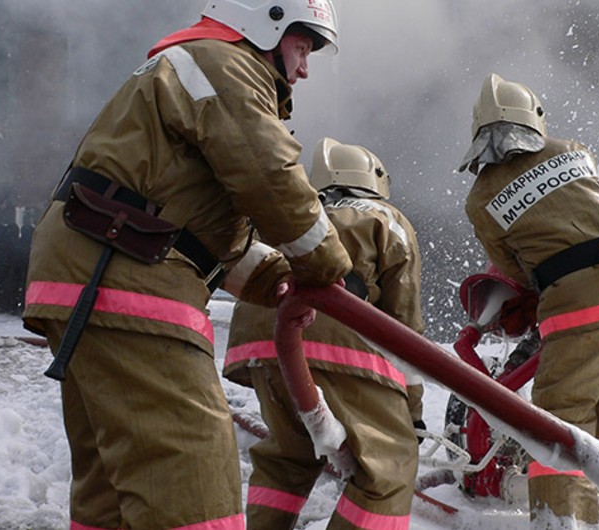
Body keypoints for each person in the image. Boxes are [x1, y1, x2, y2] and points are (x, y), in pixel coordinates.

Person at [21, 1, 352, 529]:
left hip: (96, 266)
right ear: (266, 21)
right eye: (303, 46)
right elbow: (268, 175)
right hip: (125, 273)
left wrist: (272, 277)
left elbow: (189, 224)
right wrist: (326, 264)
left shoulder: (186, 70)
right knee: (191, 476)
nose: (305, 67)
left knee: (111, 489)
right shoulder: (225, 63)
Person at [459, 73, 599, 530]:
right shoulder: (573, 151)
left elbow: (515, 269)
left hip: (582, 304)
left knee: (560, 426)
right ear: (533, 120)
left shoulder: (480, 198)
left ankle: (560, 523)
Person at [223, 137, 425, 530]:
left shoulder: (290, 214)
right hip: (330, 342)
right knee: (387, 471)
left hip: (260, 344)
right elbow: (405, 325)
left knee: (285, 459)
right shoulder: (386, 218)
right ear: (374, 180)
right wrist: (412, 413)